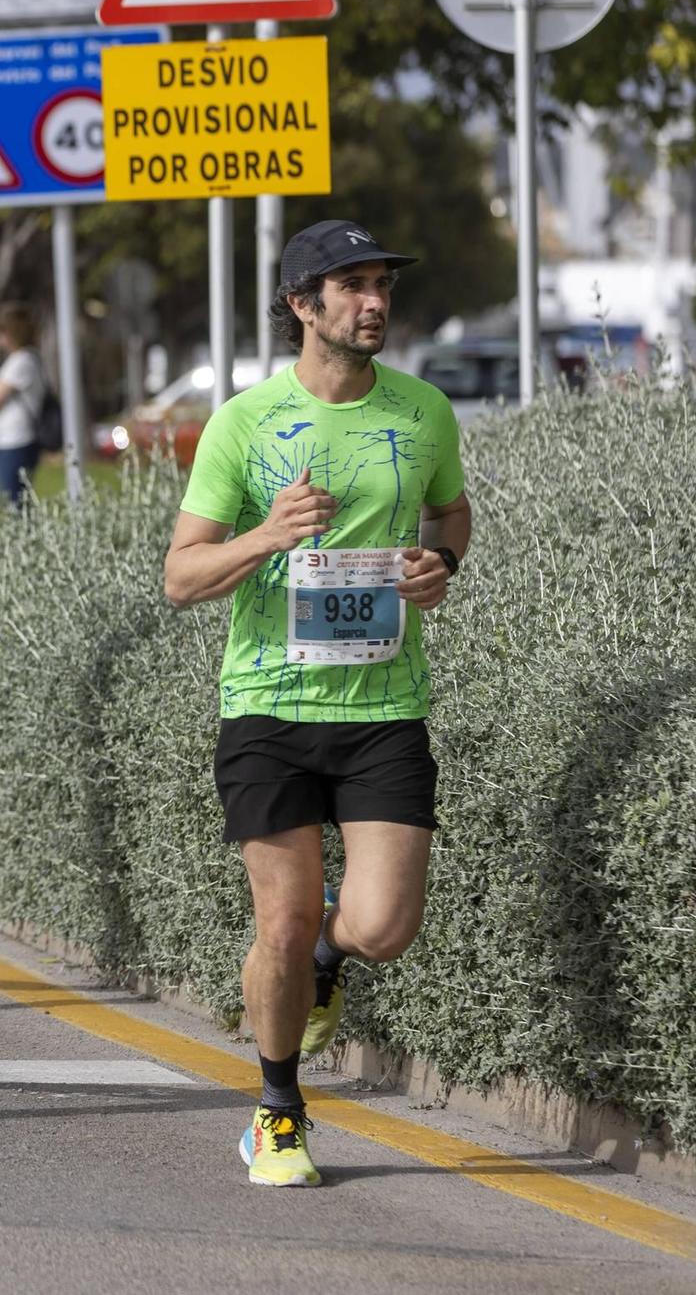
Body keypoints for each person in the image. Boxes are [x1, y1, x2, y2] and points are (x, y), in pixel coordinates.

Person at [162, 220, 472, 1188]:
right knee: (282, 921)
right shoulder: (243, 423)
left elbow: (449, 508)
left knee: (379, 926)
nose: (373, 302)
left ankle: (333, 957)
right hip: (266, 707)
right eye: (350, 287)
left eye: (380, 284)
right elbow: (178, 576)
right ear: (301, 306)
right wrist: (266, 535)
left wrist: (440, 563)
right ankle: (276, 1108)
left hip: (383, 705)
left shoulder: (422, 412)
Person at [0, 301, 45, 507]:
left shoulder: (22, 360)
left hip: (16, 440)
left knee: (15, 502)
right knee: (16, 499)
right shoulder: (27, 358)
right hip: (11, 440)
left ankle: (25, 539)